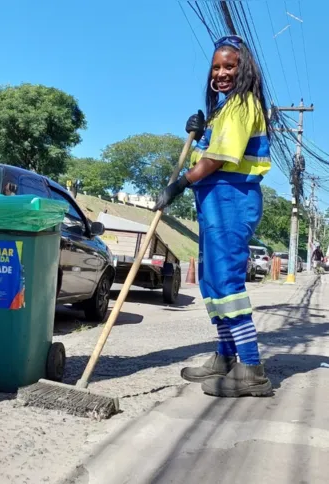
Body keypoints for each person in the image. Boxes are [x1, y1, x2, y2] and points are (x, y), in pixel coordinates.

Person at [153, 35, 272, 397]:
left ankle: (250, 367)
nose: (220, 73)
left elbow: (218, 159)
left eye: (229, 66)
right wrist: (201, 132)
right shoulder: (225, 109)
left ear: (244, 69)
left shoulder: (242, 105)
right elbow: (209, 149)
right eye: (216, 67)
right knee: (211, 282)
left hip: (232, 200)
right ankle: (224, 356)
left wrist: (179, 184)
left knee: (227, 284)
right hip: (215, 201)